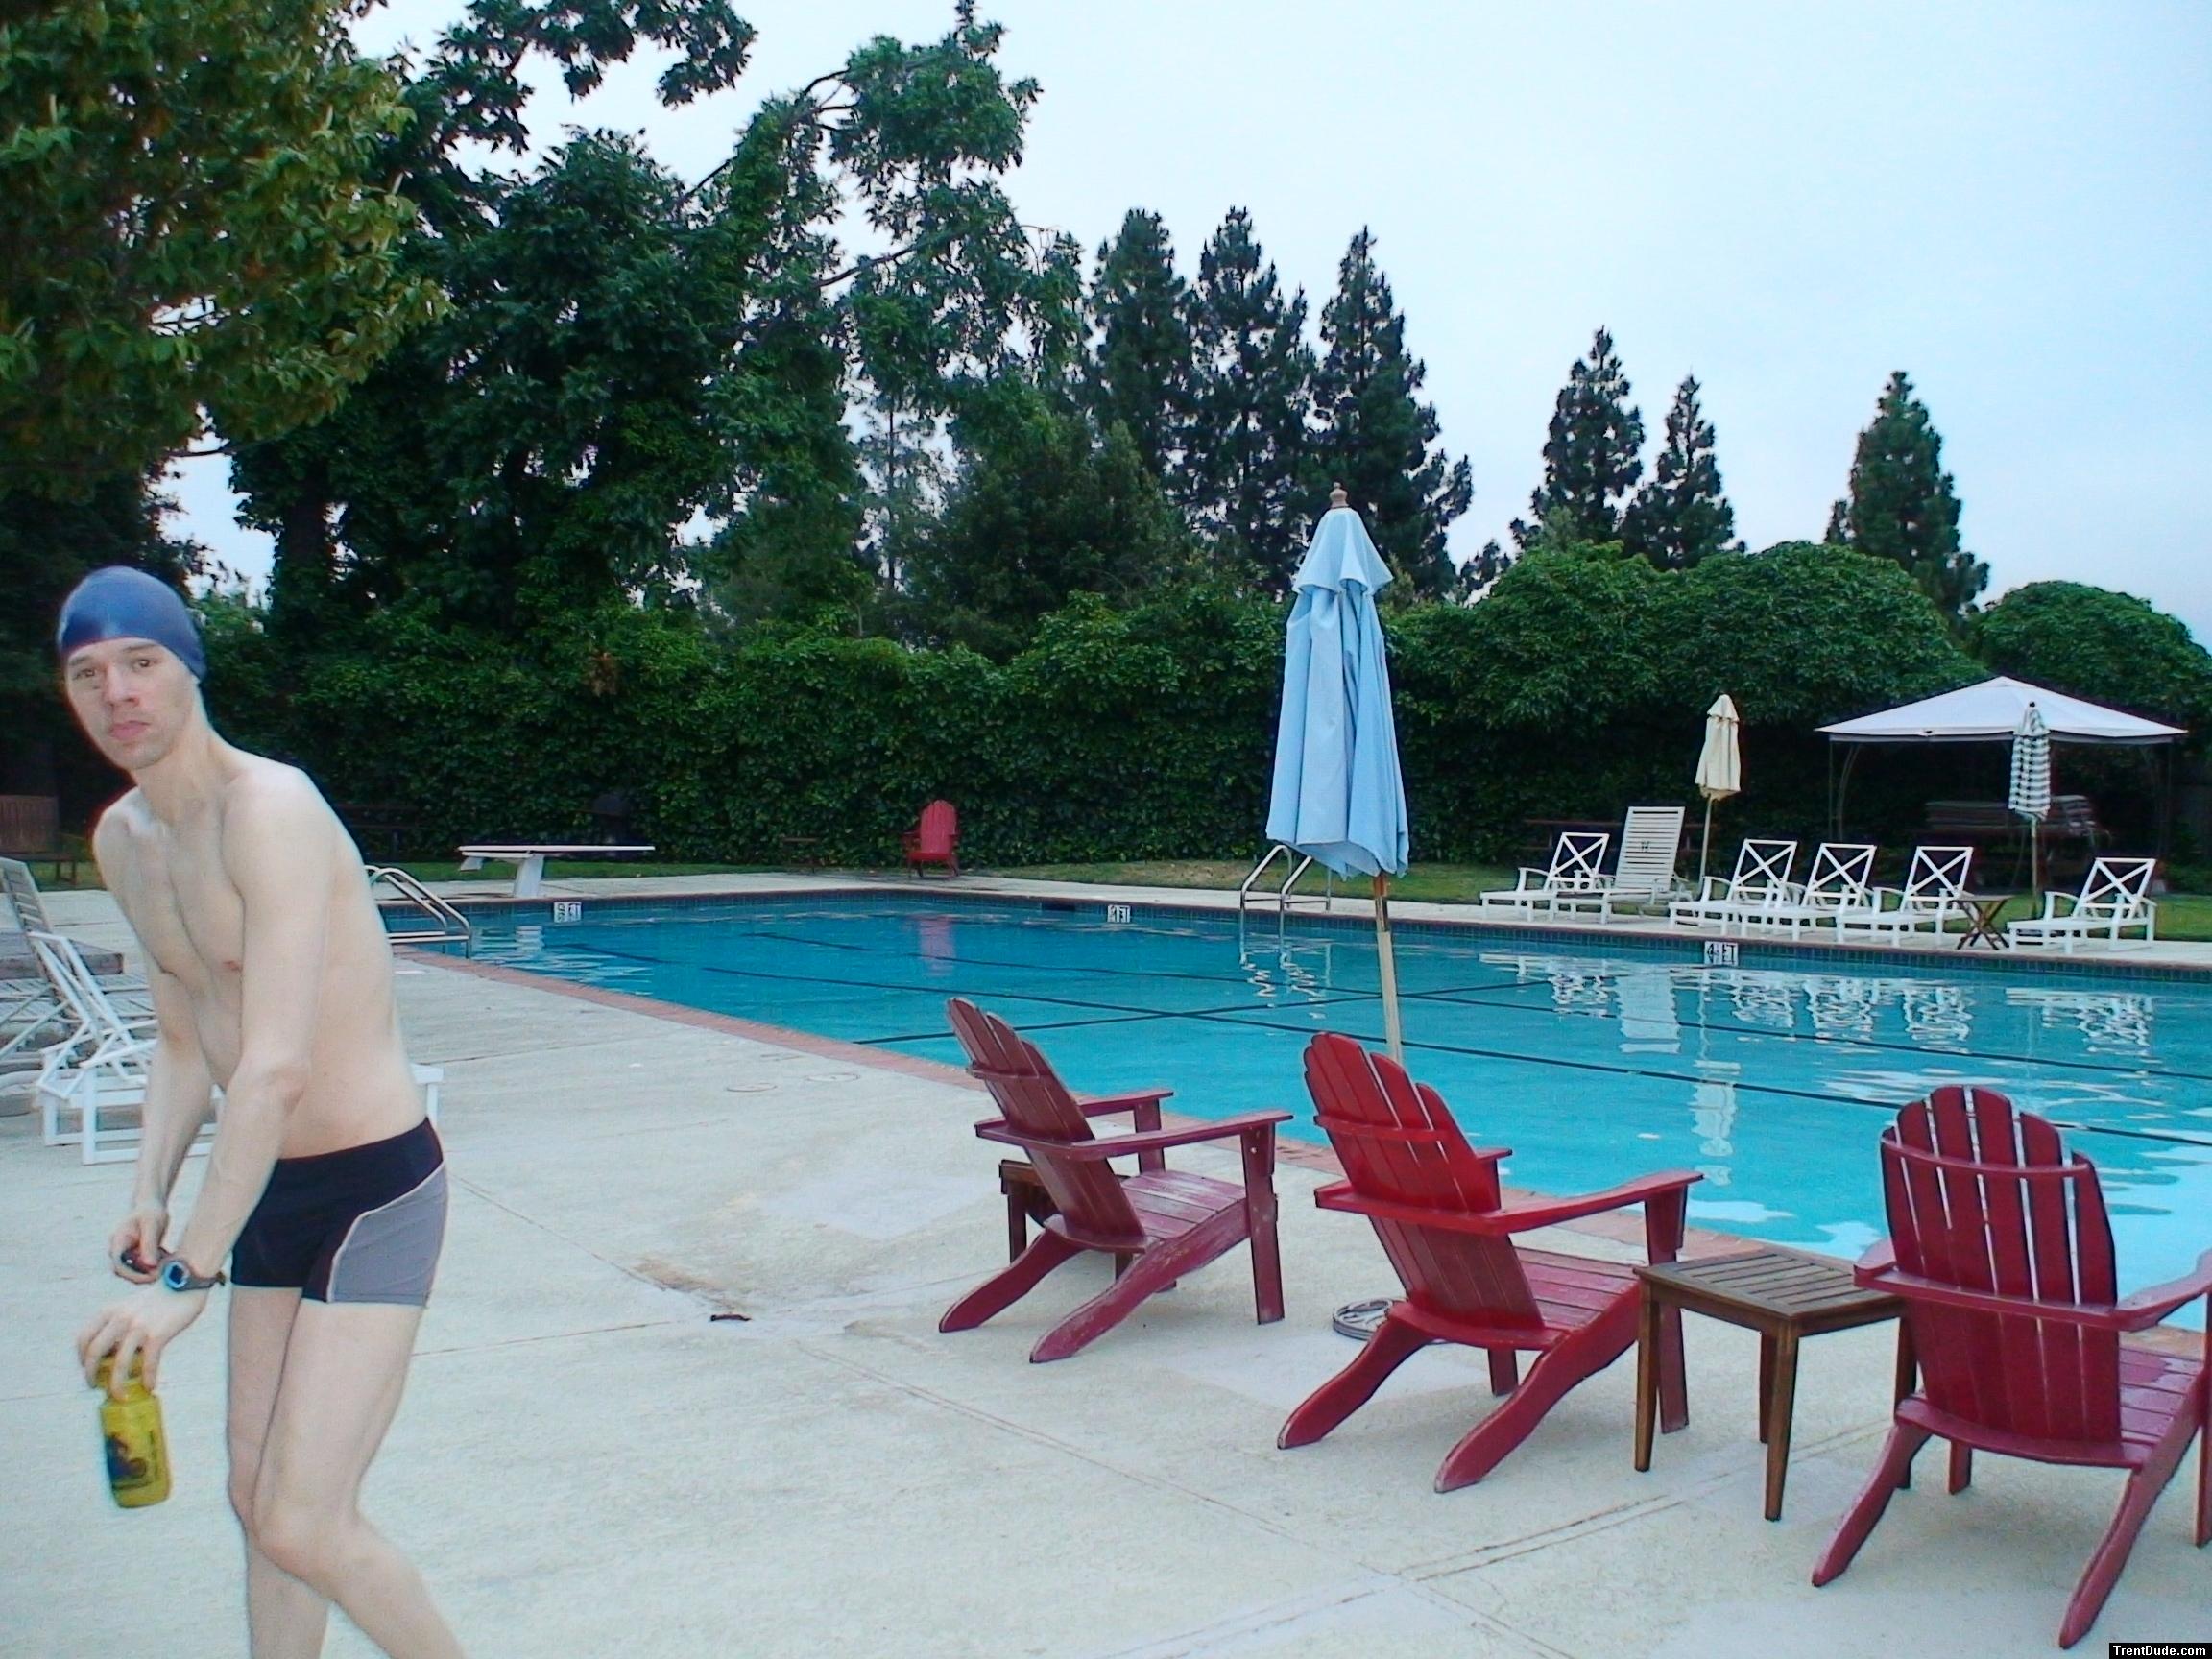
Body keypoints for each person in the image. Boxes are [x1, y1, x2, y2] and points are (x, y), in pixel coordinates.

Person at [63, 567, 464, 1659]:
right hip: (270, 1192)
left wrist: (188, 1281)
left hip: (372, 1185)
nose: (117, 694)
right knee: (257, 1499)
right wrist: (149, 1192)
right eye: (88, 675)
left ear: (187, 668)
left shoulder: (270, 810)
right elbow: (189, 1039)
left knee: (304, 1513)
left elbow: (275, 1066)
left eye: (140, 663)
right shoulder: (123, 840)